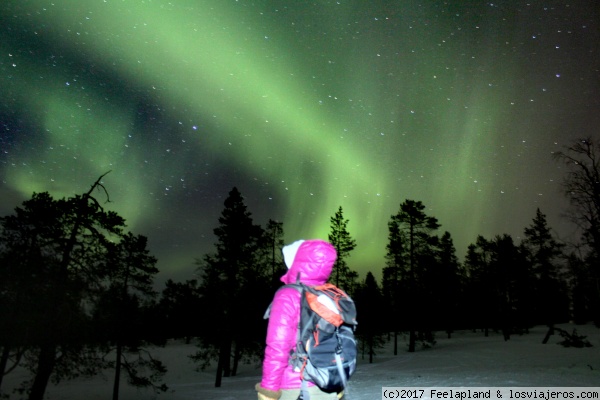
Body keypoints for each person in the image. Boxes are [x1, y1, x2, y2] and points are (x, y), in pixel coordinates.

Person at [255, 239, 343, 400]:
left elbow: (278, 346)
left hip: (297, 386)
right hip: (325, 382)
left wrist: (269, 389)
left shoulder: (288, 295)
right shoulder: (326, 295)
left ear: (295, 262)